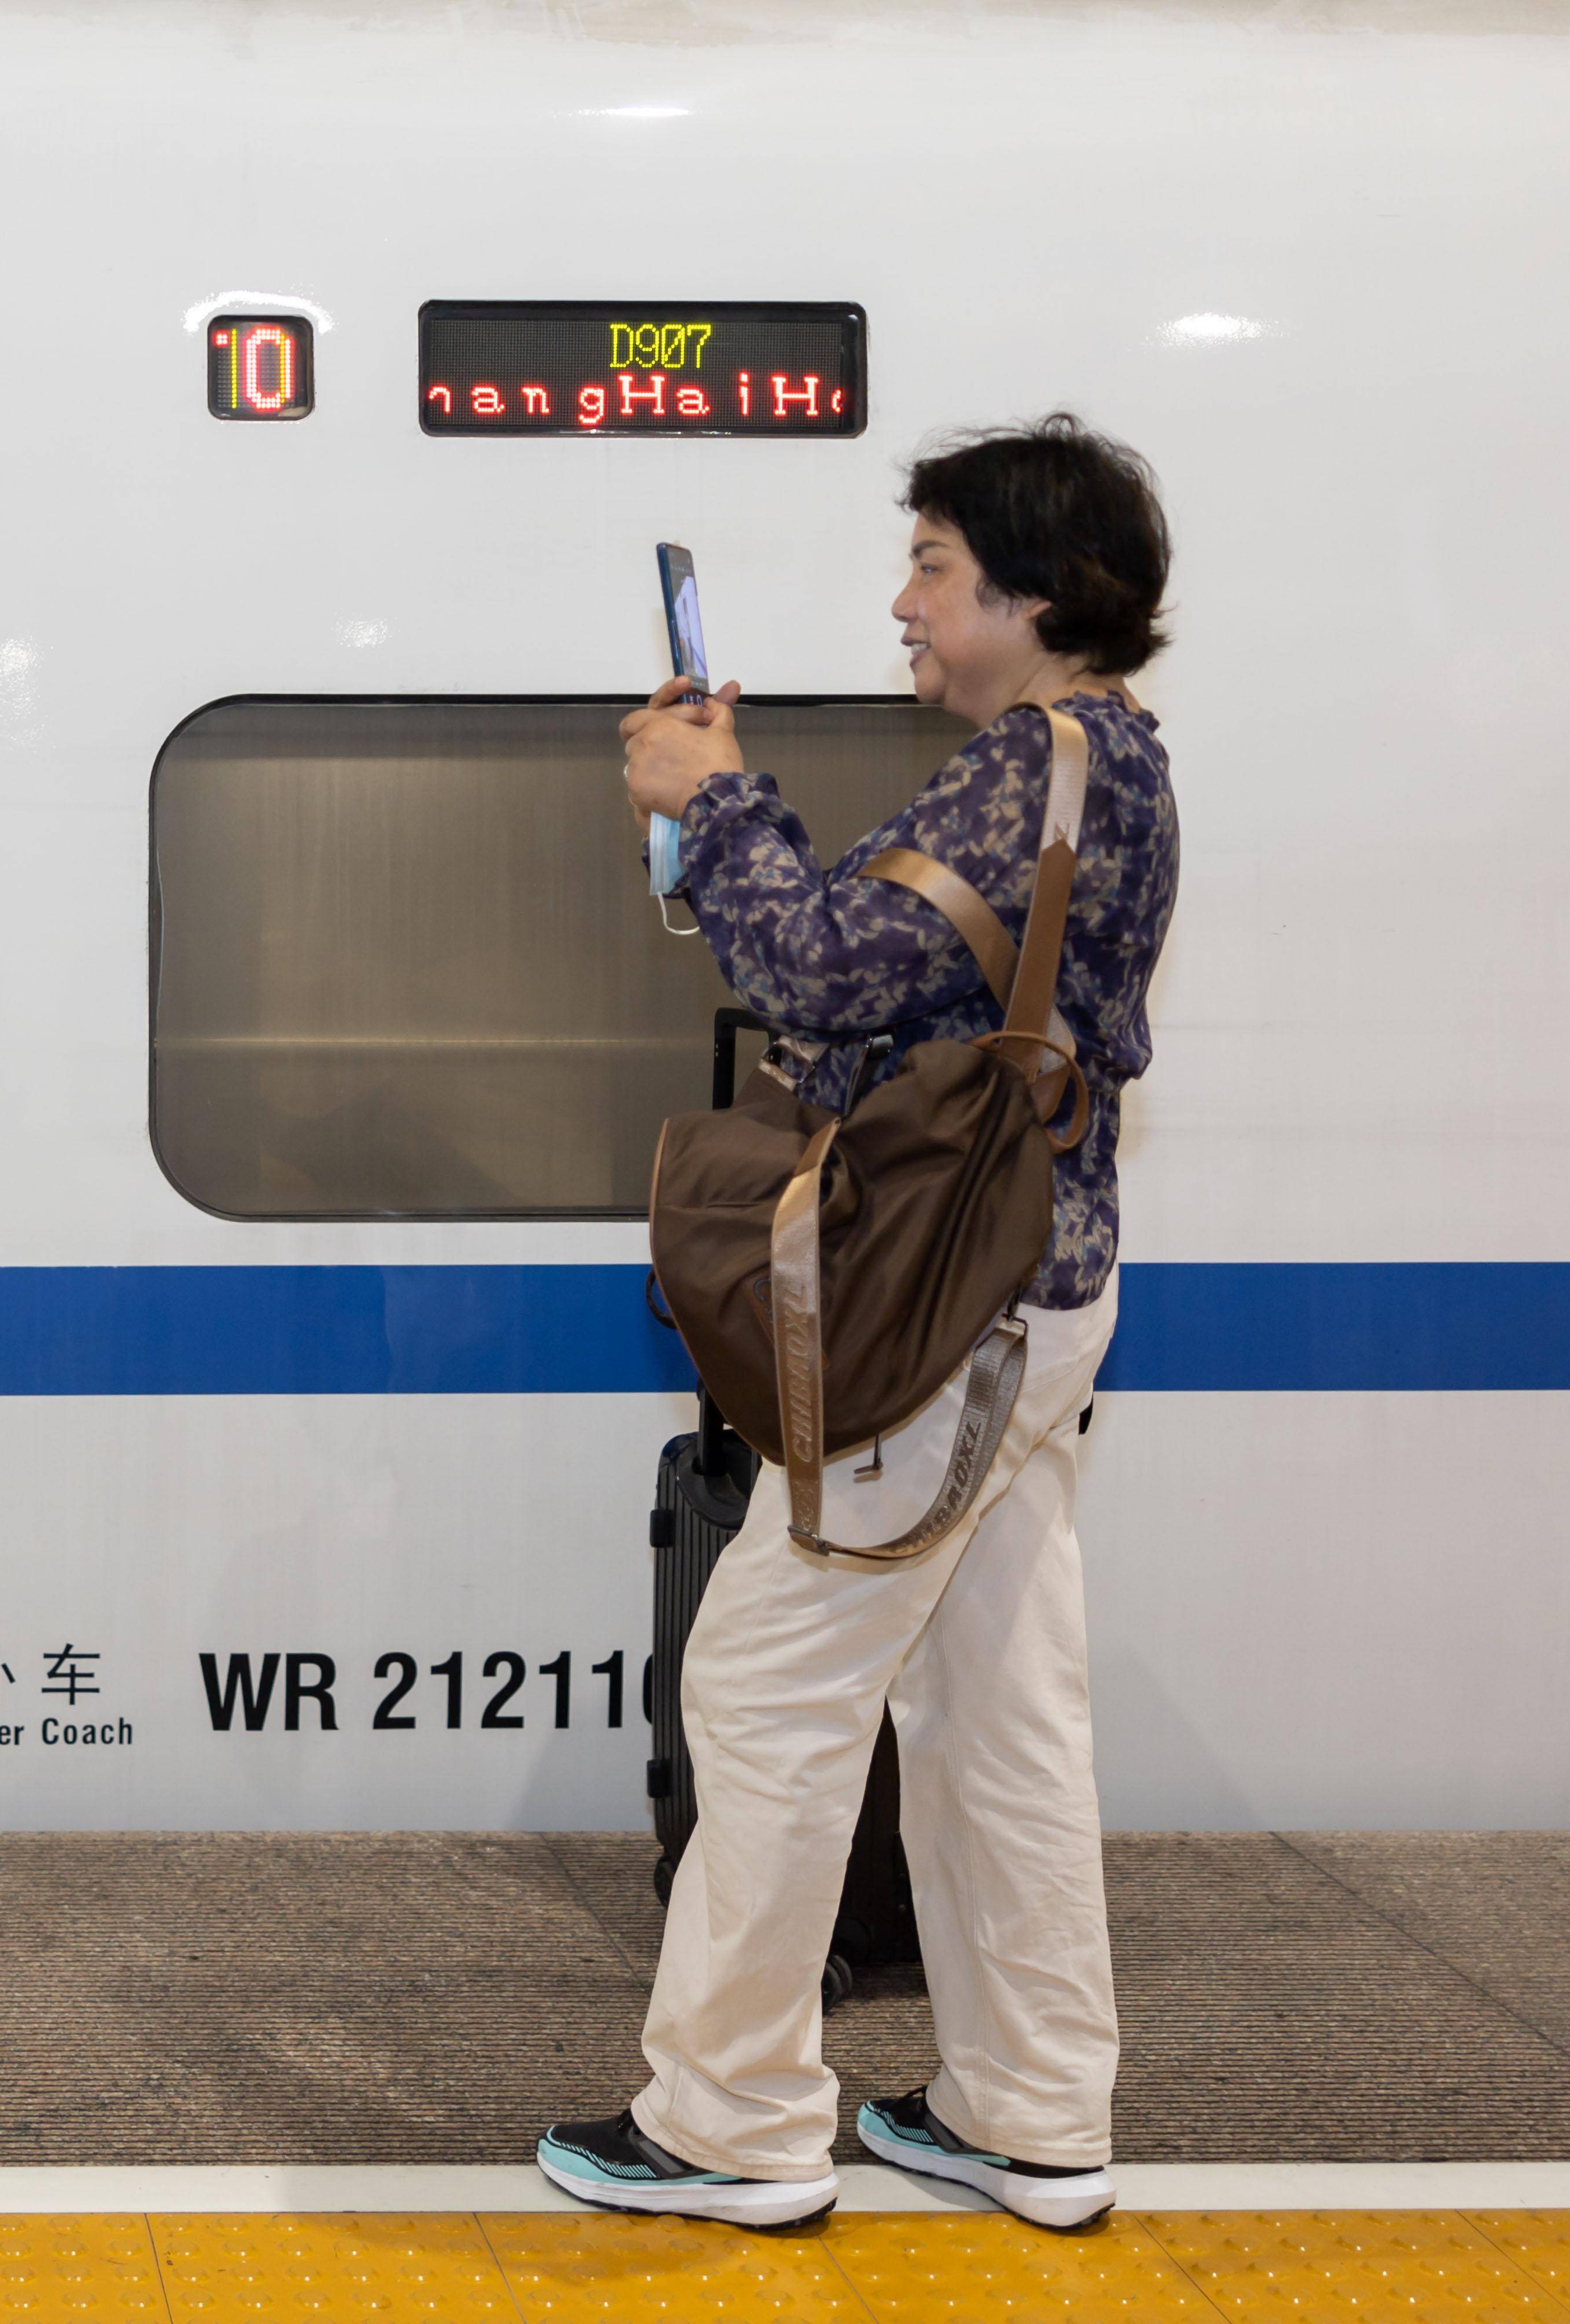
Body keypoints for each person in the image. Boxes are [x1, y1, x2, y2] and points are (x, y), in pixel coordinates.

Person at [537, 415, 1180, 2229]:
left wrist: (710, 800)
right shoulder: (1102, 760)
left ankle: (729, 2121)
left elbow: (815, 969)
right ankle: (1026, 2105)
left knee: (764, 1690)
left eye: (928, 569)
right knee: (995, 1710)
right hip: (1035, 1292)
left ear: (1032, 598)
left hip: (941, 1314)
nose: (900, 605)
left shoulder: (1031, 767)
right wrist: (717, 837)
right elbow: (871, 968)